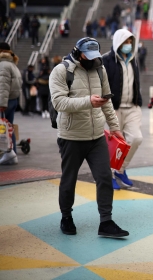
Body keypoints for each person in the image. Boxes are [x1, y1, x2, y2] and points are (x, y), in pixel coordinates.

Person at [49, 37, 129, 237]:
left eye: (95, 57)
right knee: (69, 180)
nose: (92, 60)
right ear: (78, 52)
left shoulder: (100, 70)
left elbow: (107, 101)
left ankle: (106, 222)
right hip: (71, 137)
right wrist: (88, 102)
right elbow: (59, 103)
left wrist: (115, 127)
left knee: (104, 177)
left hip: (96, 137)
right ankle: (66, 217)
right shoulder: (61, 71)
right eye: (88, 56)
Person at [102, 30, 143, 190]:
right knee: (113, 144)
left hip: (132, 107)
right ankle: (110, 174)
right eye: (125, 42)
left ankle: (120, 169)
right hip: (114, 108)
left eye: (130, 42)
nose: (128, 45)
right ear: (118, 42)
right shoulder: (107, 60)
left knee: (136, 138)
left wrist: (138, 101)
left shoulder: (133, 59)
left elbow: (136, 81)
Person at [0, 43, 22, 165]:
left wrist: (2, 103)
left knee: (3, 128)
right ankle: (12, 153)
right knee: (9, 128)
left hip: (4, 102)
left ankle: (8, 153)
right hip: (12, 100)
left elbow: (3, 86)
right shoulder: (13, 64)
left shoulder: (3, 65)